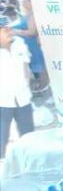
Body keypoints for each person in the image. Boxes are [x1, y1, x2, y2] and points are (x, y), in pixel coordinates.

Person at [0, 25, 34, 158]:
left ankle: (29, 159)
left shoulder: (19, 43)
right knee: (2, 135)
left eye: (8, 28)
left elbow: (26, 65)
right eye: (4, 30)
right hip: (3, 101)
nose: (9, 31)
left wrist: (26, 84)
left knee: (28, 135)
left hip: (23, 97)